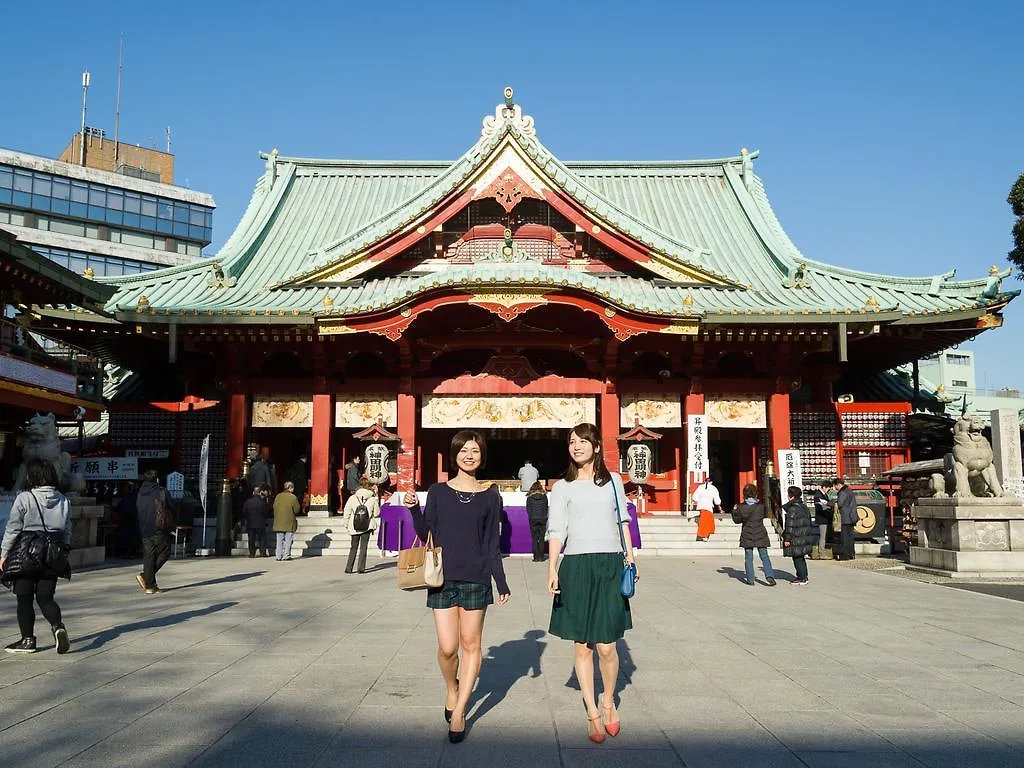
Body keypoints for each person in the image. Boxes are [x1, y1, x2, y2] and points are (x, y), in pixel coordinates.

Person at [403, 430, 510, 744]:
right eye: (463, 450)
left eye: (475, 450)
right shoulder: (437, 491)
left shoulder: (491, 495)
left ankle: (461, 709)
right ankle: (452, 686)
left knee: (471, 644)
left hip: (476, 576)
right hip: (443, 577)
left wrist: (500, 581)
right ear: (455, 455)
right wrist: (413, 509)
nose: (469, 455)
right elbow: (427, 534)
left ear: (482, 456)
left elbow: (493, 543)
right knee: (448, 648)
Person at [547, 423, 635, 745]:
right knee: (582, 644)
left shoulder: (613, 482)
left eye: (584, 441)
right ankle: (592, 712)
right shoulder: (562, 487)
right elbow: (557, 529)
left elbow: (622, 520)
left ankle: (608, 700)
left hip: (609, 564)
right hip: (576, 566)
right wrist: (553, 567)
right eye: (572, 442)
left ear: (597, 447)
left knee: (607, 646)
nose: (577, 446)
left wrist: (631, 557)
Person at [0, 459, 73, 654]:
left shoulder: (25, 498)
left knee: (24, 599)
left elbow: (13, 528)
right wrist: (63, 552)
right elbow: (67, 531)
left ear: (33, 476)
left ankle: (27, 641)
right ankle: (58, 627)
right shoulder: (64, 500)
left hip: (27, 553)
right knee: (46, 598)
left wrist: (4, 552)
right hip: (52, 554)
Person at [136, 469, 174, 594]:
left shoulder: (140, 493)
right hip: (158, 527)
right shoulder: (161, 491)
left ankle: (150, 586)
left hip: (144, 527)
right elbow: (172, 505)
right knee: (165, 551)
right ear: (156, 479)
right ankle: (146, 577)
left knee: (149, 556)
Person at [732, 483, 776, 587]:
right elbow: (766, 514)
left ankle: (750, 579)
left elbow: (737, 520)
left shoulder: (741, 507)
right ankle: (769, 575)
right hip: (760, 532)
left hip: (747, 533)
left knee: (748, 557)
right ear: (755, 493)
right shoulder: (761, 507)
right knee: (764, 556)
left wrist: (734, 511)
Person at [343, 476, 380, 574]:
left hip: (354, 525)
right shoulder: (372, 499)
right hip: (367, 525)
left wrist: (346, 523)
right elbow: (376, 513)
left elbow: (347, 511)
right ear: (369, 486)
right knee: (363, 547)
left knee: (353, 547)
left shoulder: (353, 497)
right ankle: (361, 568)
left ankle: (349, 568)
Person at [782, 486, 814, 584]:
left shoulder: (792, 509)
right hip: (804, 535)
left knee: (797, 558)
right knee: (801, 557)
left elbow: (789, 525)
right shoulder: (803, 507)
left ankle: (802, 577)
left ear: (790, 496)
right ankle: (803, 576)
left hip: (796, 536)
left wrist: (787, 538)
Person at [273, 481, 300, 561]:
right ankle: (286, 555)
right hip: (289, 522)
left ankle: (278, 555)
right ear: (290, 488)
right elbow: (297, 509)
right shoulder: (293, 497)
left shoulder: (278, 496)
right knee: (288, 540)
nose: (293, 489)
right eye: (292, 487)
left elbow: (274, 506)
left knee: (279, 540)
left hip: (278, 522)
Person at [833, 477, 857, 561]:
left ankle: (845, 554)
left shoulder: (842, 492)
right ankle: (851, 553)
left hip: (845, 517)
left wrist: (830, 503)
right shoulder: (849, 490)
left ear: (838, 485)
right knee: (850, 537)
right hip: (851, 516)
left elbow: (840, 504)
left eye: (835, 486)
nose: (835, 488)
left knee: (845, 537)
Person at [243, 485, 270, 558]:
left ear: (253, 492)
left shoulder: (248, 502)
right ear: (260, 492)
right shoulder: (262, 502)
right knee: (262, 538)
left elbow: (244, 512)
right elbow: (266, 512)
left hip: (250, 523)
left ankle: (252, 553)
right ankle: (262, 552)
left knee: (251, 539)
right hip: (260, 523)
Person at [692, 478, 721, 542]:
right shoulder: (713, 488)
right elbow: (717, 500)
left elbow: (694, 497)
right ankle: (704, 536)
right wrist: (719, 506)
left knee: (704, 521)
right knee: (706, 522)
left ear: (704, 481)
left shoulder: (700, 487)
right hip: (708, 507)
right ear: (711, 482)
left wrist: (696, 502)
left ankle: (701, 536)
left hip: (701, 506)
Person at [526, 481, 549, 562]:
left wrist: (532, 516)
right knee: (541, 538)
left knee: (535, 538)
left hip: (533, 519)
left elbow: (528, 509)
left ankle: (536, 557)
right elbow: (546, 508)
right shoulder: (544, 496)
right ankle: (541, 557)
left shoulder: (529, 497)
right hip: (542, 519)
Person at [811, 482, 832, 559]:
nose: (828, 490)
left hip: (824, 517)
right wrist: (828, 507)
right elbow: (820, 507)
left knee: (823, 536)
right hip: (822, 517)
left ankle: (821, 552)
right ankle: (821, 553)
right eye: (828, 488)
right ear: (824, 487)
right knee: (822, 536)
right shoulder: (818, 495)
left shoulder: (823, 494)